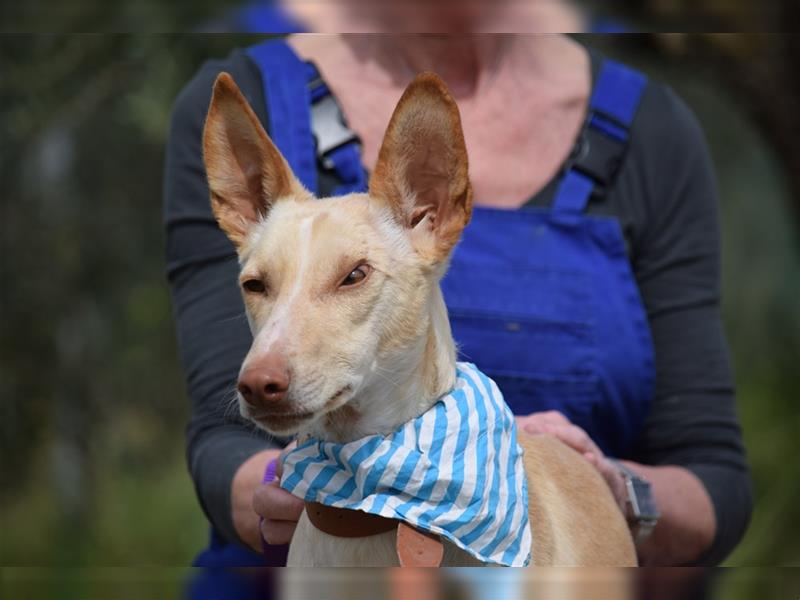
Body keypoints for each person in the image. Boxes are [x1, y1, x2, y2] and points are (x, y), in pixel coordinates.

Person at [164, 27, 752, 568]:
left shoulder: (652, 132)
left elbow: (712, 472)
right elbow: (222, 440)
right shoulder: (256, 95)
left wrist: (603, 489)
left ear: (433, 207)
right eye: (259, 286)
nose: (265, 362)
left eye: (350, 278)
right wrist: (320, 486)